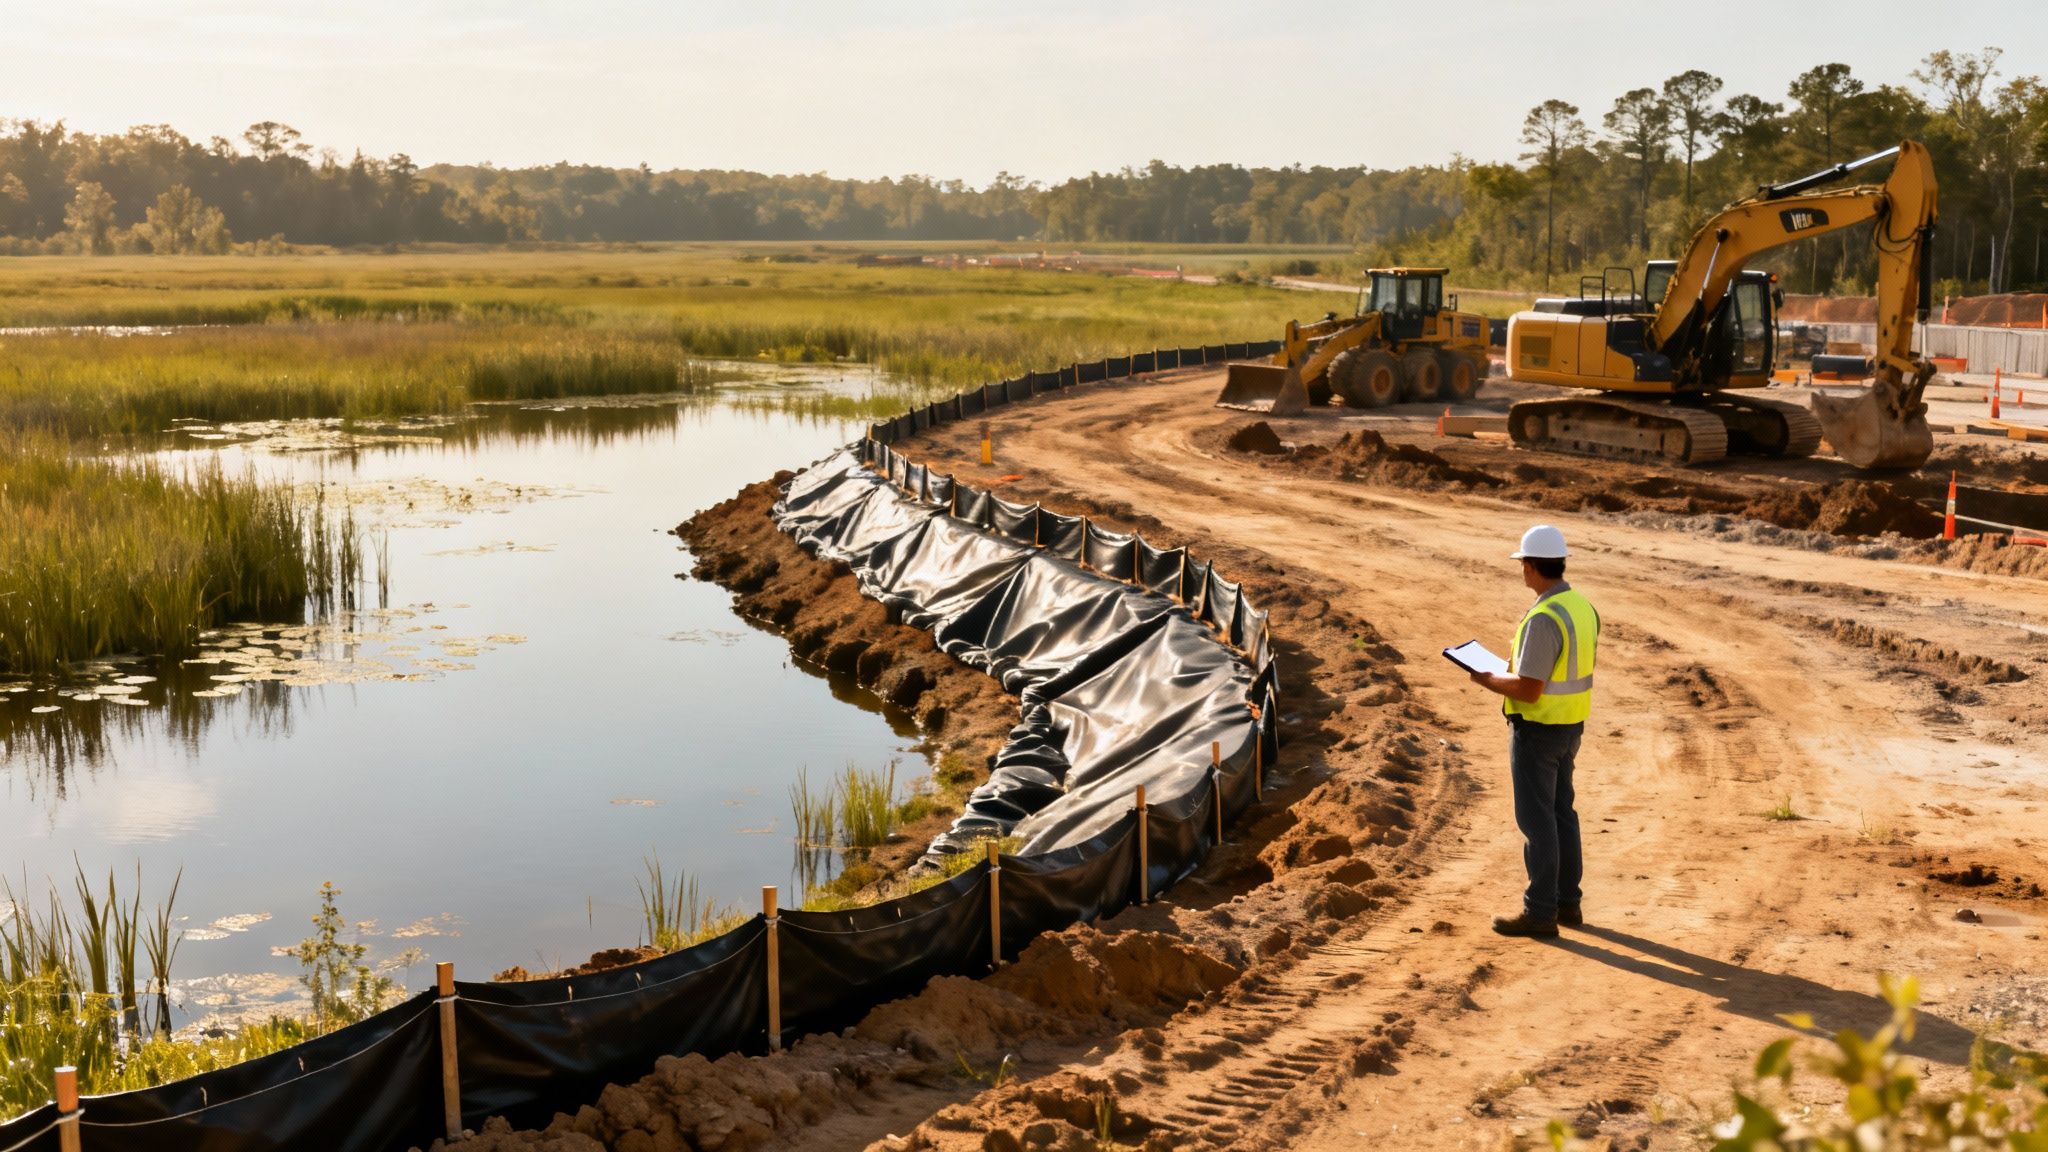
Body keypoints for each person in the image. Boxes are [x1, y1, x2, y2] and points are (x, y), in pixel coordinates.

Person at [1467, 524, 1598, 938]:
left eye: (1522, 563)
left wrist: (1485, 677)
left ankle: (1540, 912)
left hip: (1538, 729)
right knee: (1562, 815)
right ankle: (1567, 904)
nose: (1521, 570)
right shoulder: (1581, 606)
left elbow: (1529, 687)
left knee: (1537, 821)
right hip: (1570, 725)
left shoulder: (1544, 618)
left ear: (1531, 565)